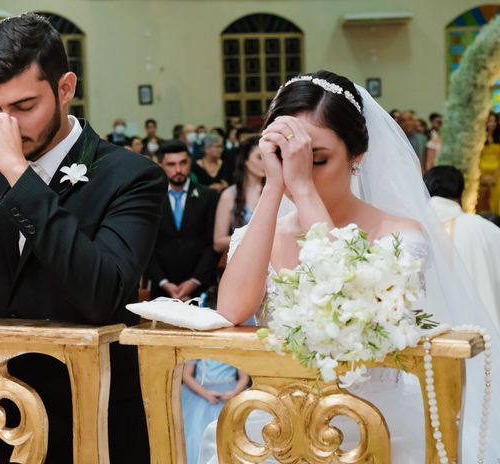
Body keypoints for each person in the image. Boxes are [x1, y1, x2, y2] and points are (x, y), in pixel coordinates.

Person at [0, 13, 167, 463]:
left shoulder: (131, 176)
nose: (7, 127)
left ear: (65, 88)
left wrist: (20, 175)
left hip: (88, 429)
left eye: (23, 107)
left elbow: (102, 294)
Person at [199, 71, 499, 463]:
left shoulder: (399, 236)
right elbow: (233, 310)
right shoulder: (259, 234)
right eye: (285, 158)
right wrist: (273, 189)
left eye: (316, 160)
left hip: (375, 425)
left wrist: (304, 192)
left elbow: (342, 300)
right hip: (275, 427)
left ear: (358, 156)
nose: (298, 173)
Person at [425, 165, 500, 329]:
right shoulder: (483, 228)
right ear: (461, 194)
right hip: (485, 334)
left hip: (431, 336)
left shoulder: (413, 230)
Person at [146, 143, 219, 300]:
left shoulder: (209, 196)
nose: (178, 170)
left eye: (183, 163)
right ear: (161, 166)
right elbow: (146, 245)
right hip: (162, 288)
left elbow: (212, 243)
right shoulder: (150, 199)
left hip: (201, 287)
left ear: (190, 163)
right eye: (171, 164)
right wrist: (163, 282)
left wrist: (195, 280)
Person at [181, 360, 249, 464]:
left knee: (227, 434)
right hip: (200, 392)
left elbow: (244, 377)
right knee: (195, 432)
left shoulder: (233, 345)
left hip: (228, 391)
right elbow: (186, 375)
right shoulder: (198, 344)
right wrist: (206, 394)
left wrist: (234, 392)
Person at [213, 136, 264, 254]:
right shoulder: (230, 195)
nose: (265, 163)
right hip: (242, 258)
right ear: (245, 160)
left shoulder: (276, 191)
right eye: (259, 157)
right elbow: (218, 242)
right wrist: (253, 235)